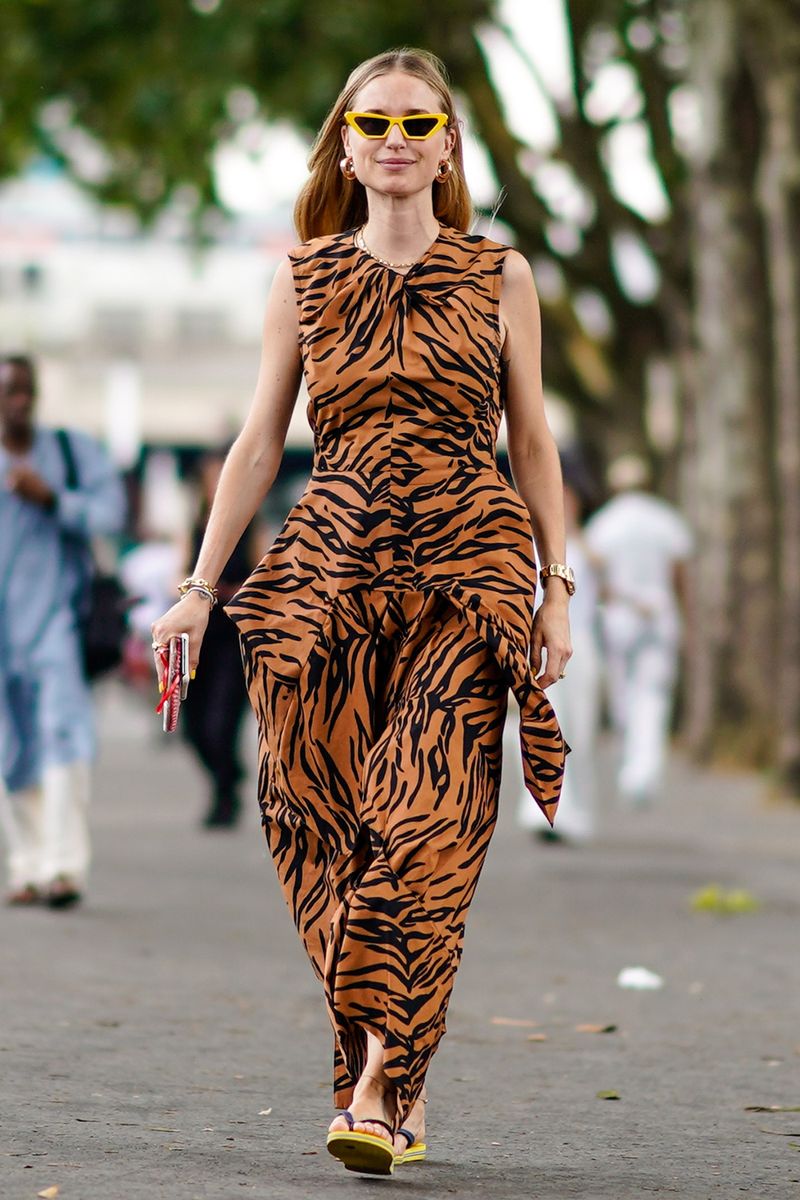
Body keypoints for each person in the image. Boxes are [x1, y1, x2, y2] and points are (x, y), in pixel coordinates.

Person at [152, 48, 572, 1175]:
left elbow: (531, 443)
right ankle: (385, 1068)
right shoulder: (304, 278)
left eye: (417, 122)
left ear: (446, 148)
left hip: (465, 571)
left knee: (426, 821)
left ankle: (383, 1080)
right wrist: (199, 588)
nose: (394, 140)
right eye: (372, 123)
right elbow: (255, 444)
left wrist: (555, 588)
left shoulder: (500, 274)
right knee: (317, 820)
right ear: (344, 143)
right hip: (329, 569)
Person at [0, 354, 126, 908]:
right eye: (8, 392)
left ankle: (64, 868)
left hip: (57, 619)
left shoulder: (73, 453)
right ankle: (26, 867)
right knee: (10, 747)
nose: (19, 401)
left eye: (26, 390)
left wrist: (53, 499)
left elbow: (110, 515)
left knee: (62, 732)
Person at [585, 453, 693, 807]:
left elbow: (595, 578)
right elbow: (679, 576)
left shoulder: (604, 523)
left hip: (619, 617)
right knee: (654, 695)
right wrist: (683, 615)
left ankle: (631, 765)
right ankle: (642, 771)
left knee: (622, 694)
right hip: (659, 615)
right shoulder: (666, 520)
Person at [517, 462, 602, 843]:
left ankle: (573, 809)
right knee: (543, 726)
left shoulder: (588, 545)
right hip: (541, 644)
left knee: (580, 730)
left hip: (582, 643)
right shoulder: (526, 546)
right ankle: (543, 808)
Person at [181, 448, 262, 828]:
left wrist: (230, 592)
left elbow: (264, 574)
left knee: (221, 723)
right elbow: (176, 572)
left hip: (233, 635)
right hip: (198, 636)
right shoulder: (193, 524)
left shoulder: (252, 523)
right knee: (192, 726)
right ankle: (226, 779)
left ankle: (225, 793)